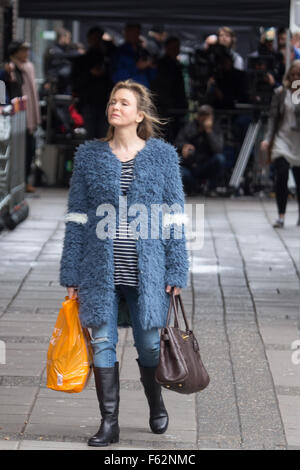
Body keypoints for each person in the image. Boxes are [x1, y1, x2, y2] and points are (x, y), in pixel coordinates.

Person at [59, 79, 189, 447]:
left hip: (147, 271)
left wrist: (177, 267)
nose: (115, 107)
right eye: (113, 102)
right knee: (102, 342)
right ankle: (109, 423)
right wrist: (71, 271)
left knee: (149, 345)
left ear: (139, 114)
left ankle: (155, 400)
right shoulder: (90, 155)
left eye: (124, 103)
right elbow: (77, 217)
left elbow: (175, 216)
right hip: (99, 270)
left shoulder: (162, 156)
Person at [260, 60, 300, 228]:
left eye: (299, 75)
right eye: (293, 75)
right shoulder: (280, 93)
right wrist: (267, 139)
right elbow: (272, 118)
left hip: (298, 142)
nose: (295, 77)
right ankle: (281, 216)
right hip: (282, 139)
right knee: (282, 173)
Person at [4, 40, 41, 193]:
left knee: (28, 149)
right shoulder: (8, 69)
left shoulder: (28, 68)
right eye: (23, 50)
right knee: (14, 152)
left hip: (27, 116)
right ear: (15, 52)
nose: (26, 53)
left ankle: (23, 181)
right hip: (13, 115)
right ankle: (13, 184)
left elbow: (31, 93)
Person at [71, 26, 114, 139]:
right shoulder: (83, 60)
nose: (96, 41)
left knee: (105, 135)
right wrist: (90, 73)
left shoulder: (109, 56)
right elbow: (76, 82)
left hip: (106, 101)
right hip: (89, 102)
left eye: (99, 38)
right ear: (89, 39)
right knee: (91, 135)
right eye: (94, 38)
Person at [175, 104, 225, 195]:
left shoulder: (215, 128)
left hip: (206, 164)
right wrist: (184, 146)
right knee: (179, 172)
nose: (204, 118)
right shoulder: (189, 127)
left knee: (220, 159)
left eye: (207, 115)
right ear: (198, 116)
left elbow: (218, 149)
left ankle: (212, 188)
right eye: (202, 115)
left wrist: (209, 131)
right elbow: (177, 142)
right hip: (190, 166)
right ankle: (193, 188)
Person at [150, 36, 188, 143]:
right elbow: (161, 87)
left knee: (176, 137)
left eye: (177, 47)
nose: (176, 50)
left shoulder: (177, 65)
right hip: (165, 108)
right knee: (165, 136)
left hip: (177, 107)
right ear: (167, 48)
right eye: (173, 47)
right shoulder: (162, 65)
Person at [112, 23, 156, 88]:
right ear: (126, 33)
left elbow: (151, 77)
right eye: (132, 32)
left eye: (137, 33)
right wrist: (136, 67)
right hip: (128, 91)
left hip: (143, 90)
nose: (135, 35)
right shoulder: (119, 52)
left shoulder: (143, 51)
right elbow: (115, 77)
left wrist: (153, 67)